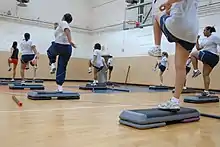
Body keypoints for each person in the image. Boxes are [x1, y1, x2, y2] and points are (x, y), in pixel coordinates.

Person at [149, 0, 199, 111]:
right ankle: (175, 101)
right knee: (180, 67)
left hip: (178, 25)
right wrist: (169, 9)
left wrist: (167, 3)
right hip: (192, 33)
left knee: (156, 16)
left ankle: (157, 47)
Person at [47, 13, 76, 92]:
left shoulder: (63, 22)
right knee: (62, 67)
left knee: (50, 51)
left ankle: (52, 64)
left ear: (63, 17)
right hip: (67, 49)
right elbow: (62, 31)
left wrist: (70, 41)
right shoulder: (61, 27)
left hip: (59, 46)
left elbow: (67, 30)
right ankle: (60, 87)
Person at [190, 26, 220, 96]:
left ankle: (196, 70)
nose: (203, 32)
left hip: (211, 56)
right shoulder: (204, 40)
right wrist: (196, 39)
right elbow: (198, 48)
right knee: (205, 75)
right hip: (209, 57)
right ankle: (206, 91)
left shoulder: (214, 37)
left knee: (193, 54)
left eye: (204, 30)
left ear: (209, 30)